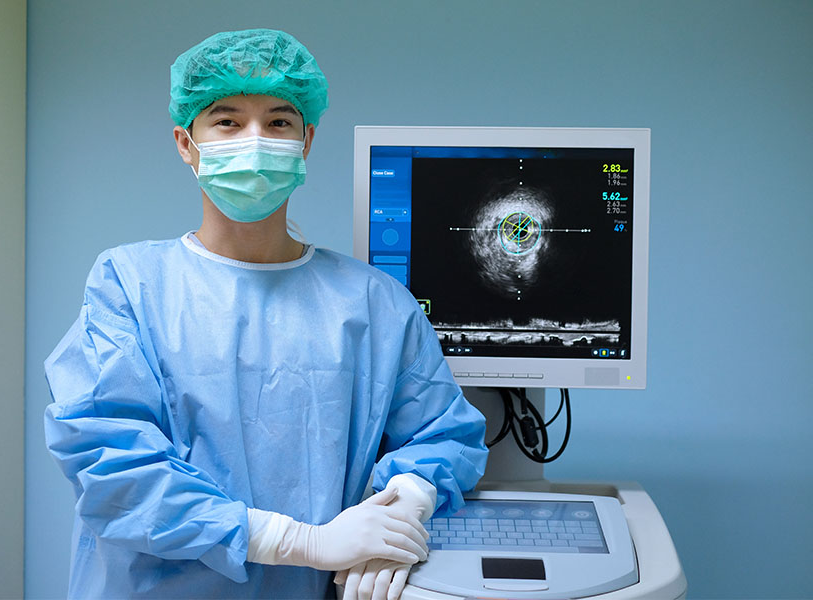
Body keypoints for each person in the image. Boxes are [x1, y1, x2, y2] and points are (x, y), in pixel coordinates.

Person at [44, 29, 488, 600]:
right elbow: (110, 464)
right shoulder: (130, 284)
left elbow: (444, 435)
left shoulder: (373, 301)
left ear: (305, 141)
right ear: (187, 142)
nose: (255, 140)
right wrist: (299, 541)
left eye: (278, 122)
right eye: (227, 121)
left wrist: (403, 506)